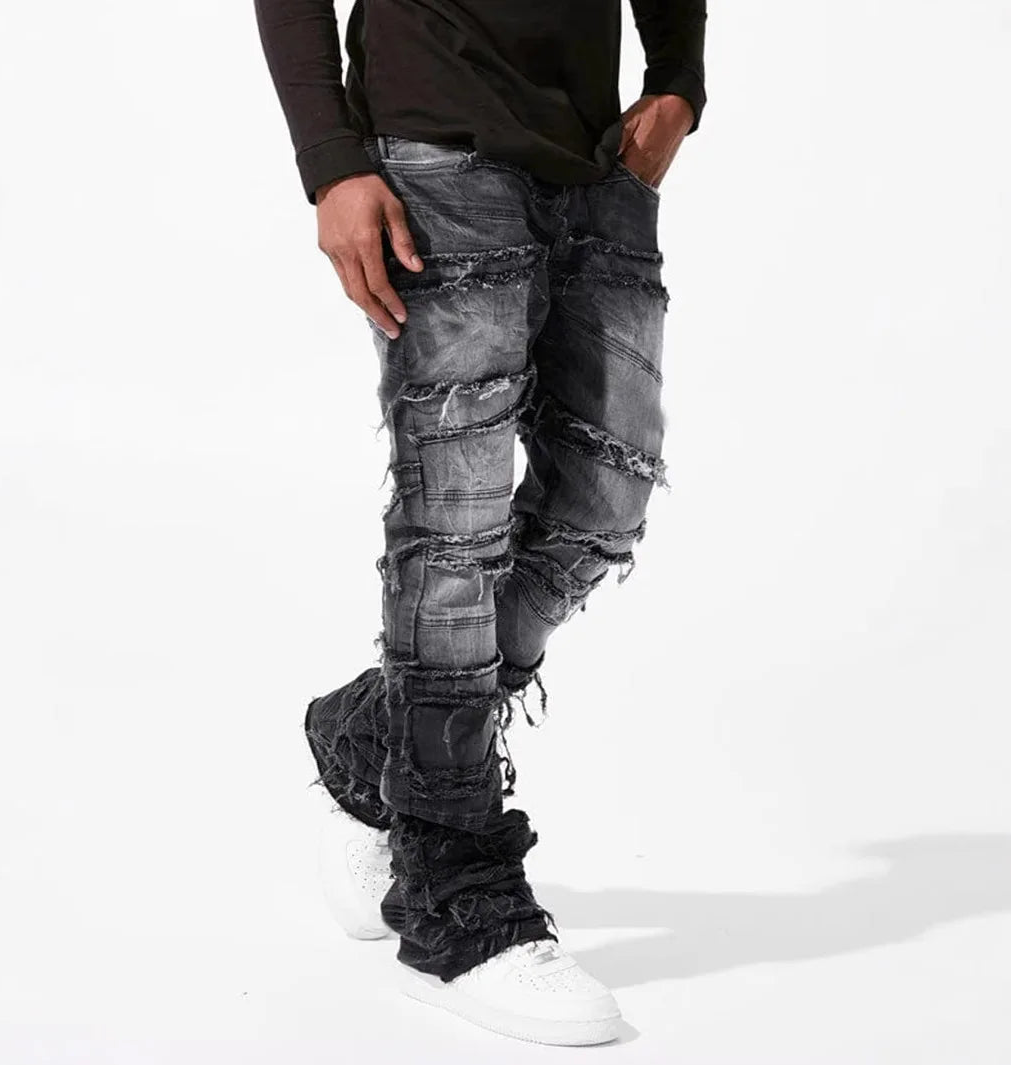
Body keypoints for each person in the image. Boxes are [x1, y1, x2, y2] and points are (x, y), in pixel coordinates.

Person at [253, 0, 707, 1045]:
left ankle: (376, 734)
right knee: (452, 525)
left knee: (606, 496)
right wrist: (330, 161)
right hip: (434, 147)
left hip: (596, 159)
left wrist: (678, 79)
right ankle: (452, 897)